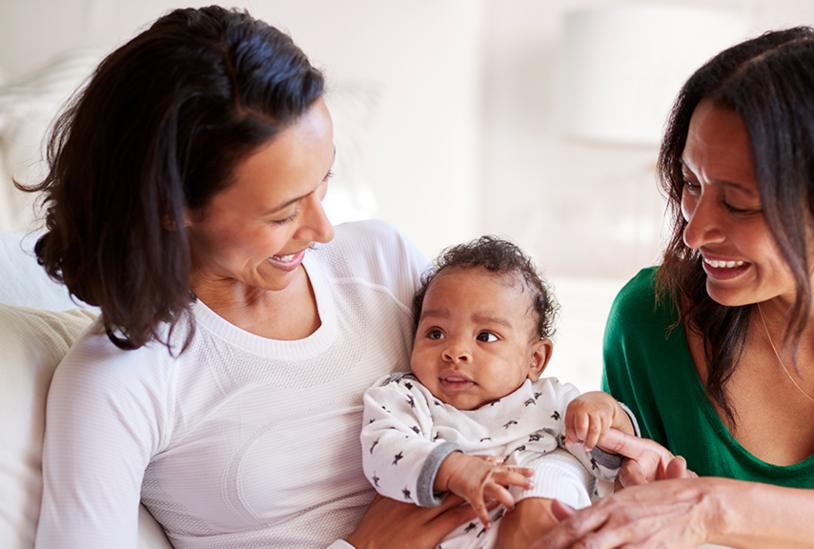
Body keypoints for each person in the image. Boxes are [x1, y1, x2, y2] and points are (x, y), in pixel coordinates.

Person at [24, 7, 476, 548]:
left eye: (324, 180)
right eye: (282, 214)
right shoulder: (120, 378)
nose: (322, 230)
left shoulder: (382, 261)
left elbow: (510, 406)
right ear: (171, 208)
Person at [534, 27, 814, 548]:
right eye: (692, 185)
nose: (695, 233)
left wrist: (712, 507)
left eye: (740, 203)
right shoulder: (648, 318)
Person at [360, 236, 638, 548]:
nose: (455, 352)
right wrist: (452, 468)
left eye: (486, 337)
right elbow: (383, 453)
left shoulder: (548, 402)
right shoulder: (406, 397)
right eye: (436, 333)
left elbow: (606, 462)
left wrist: (603, 412)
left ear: (535, 359)